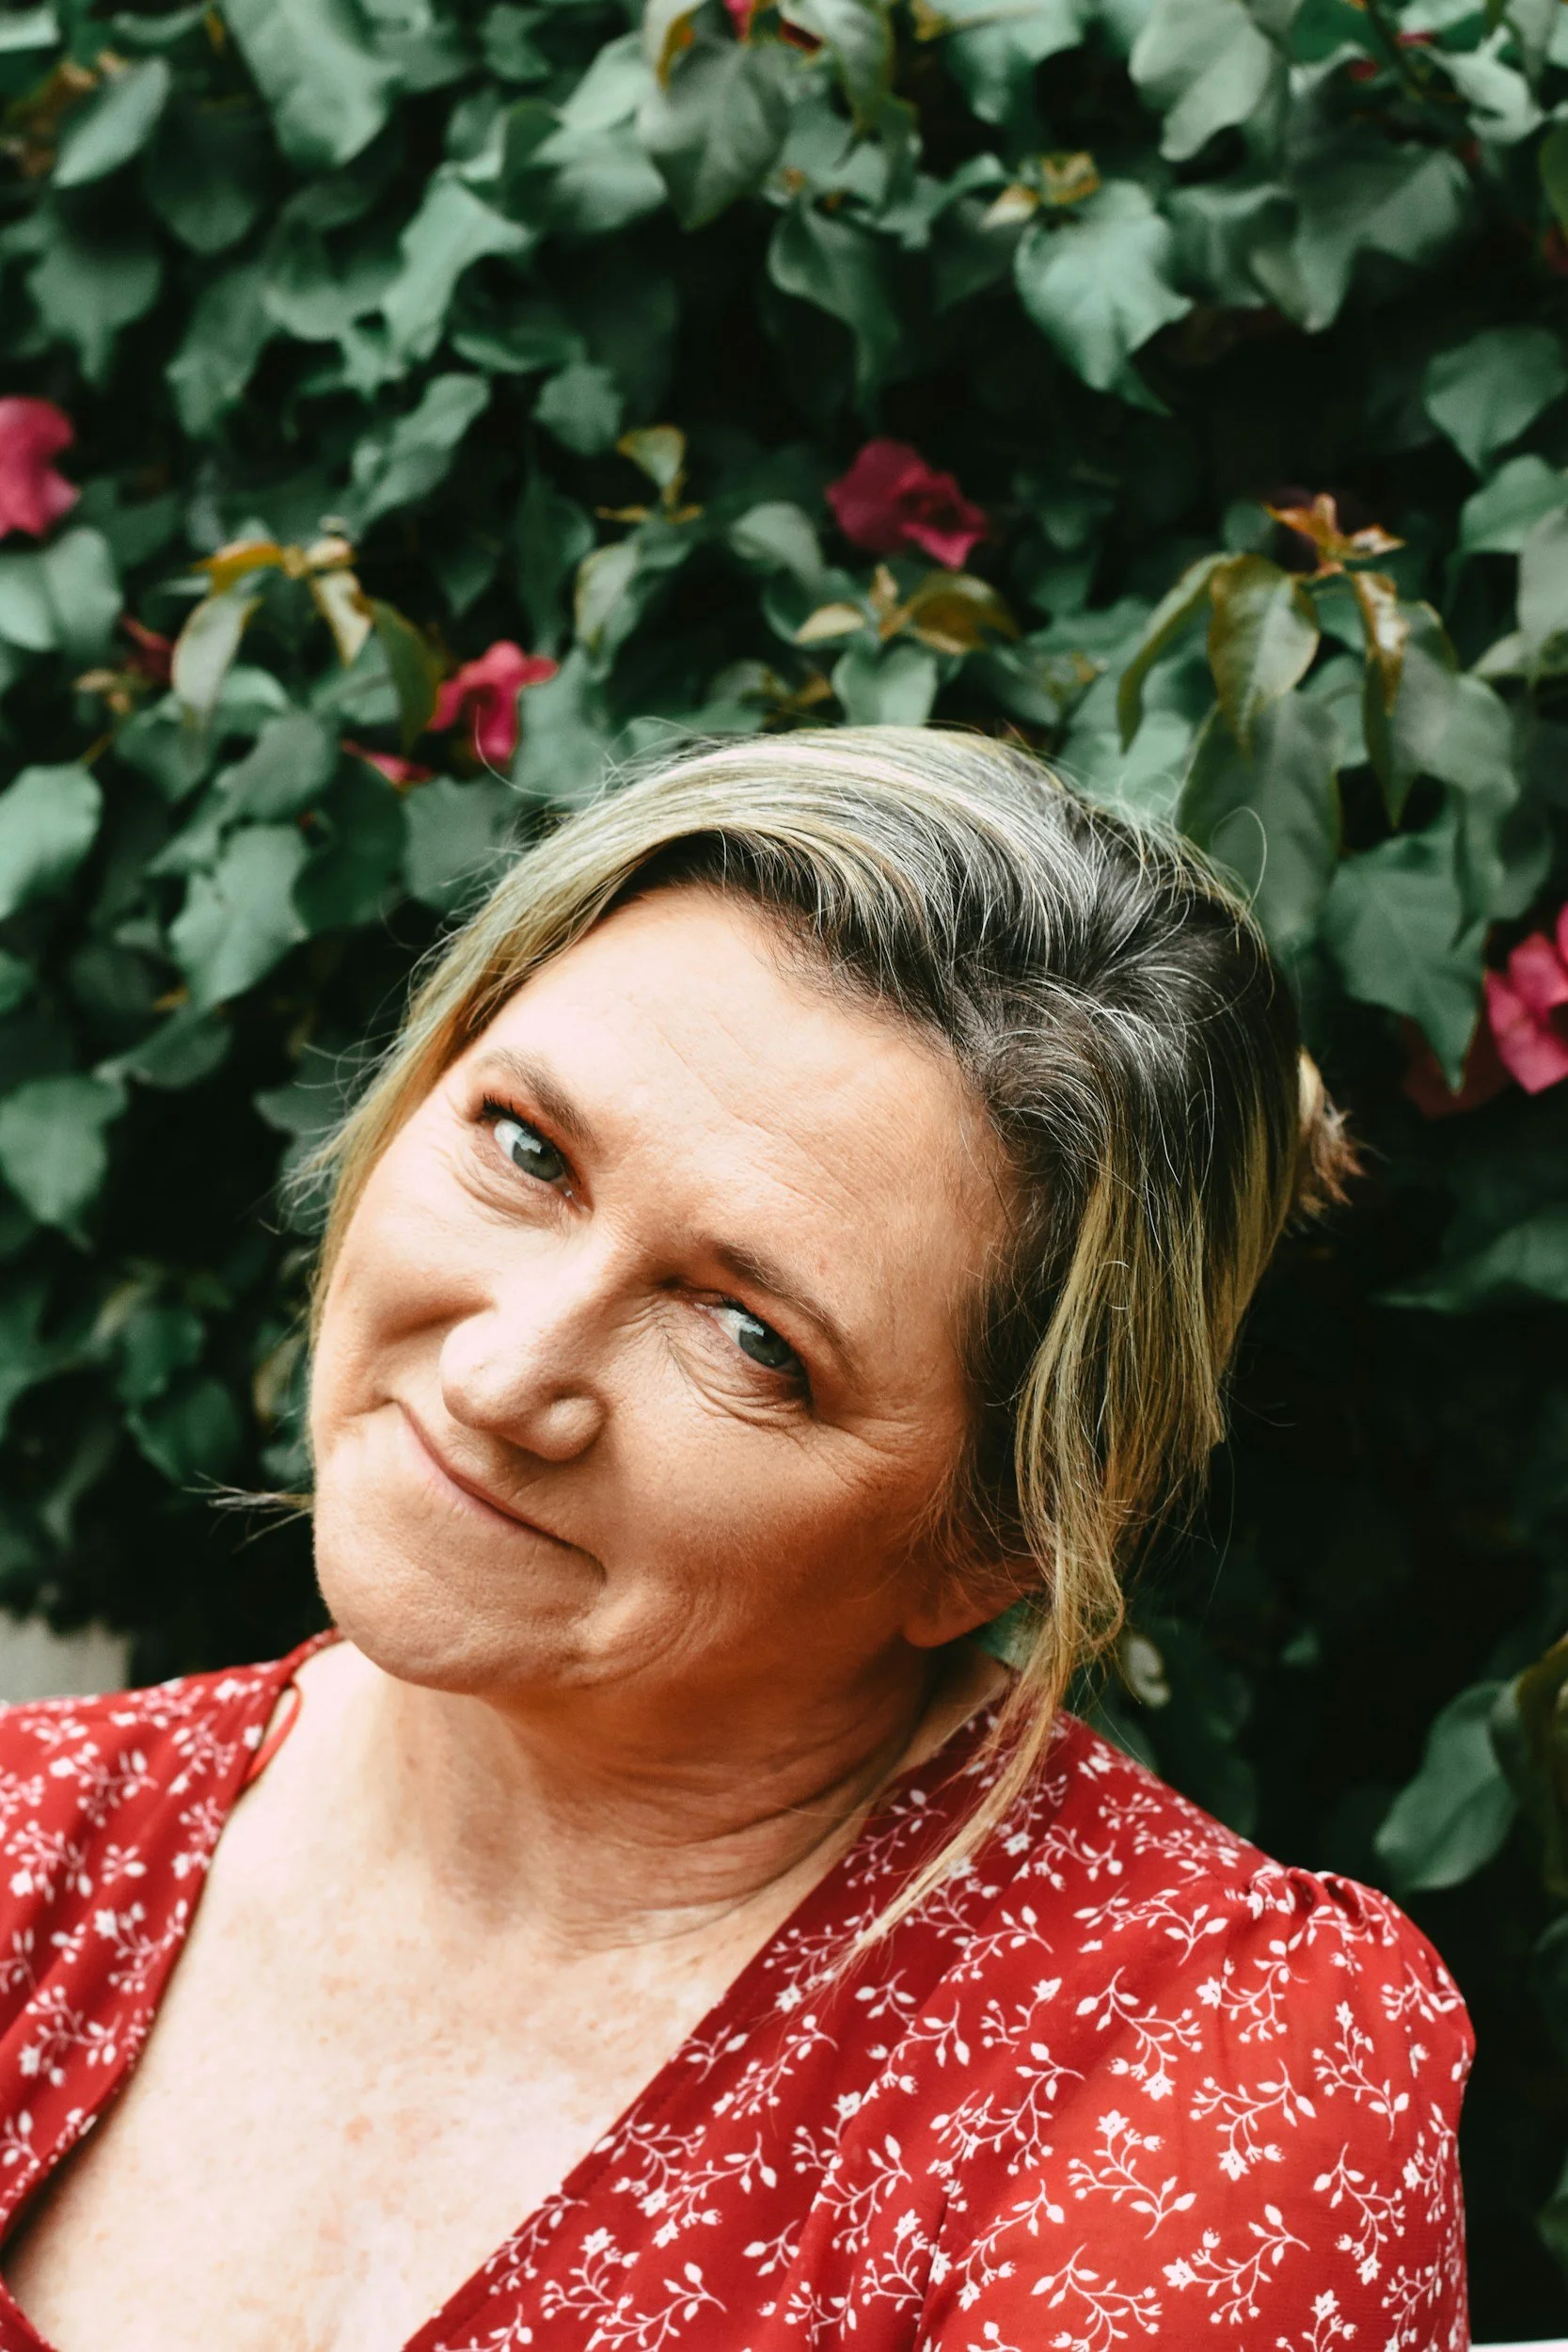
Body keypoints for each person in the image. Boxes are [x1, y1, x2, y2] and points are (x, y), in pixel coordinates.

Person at [0, 730, 1467, 2352]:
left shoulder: (1188, 2074)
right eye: (526, 1149)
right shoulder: (25, 1844)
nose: (502, 1378)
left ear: (995, 1546)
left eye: (752, 1337)